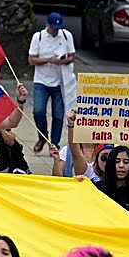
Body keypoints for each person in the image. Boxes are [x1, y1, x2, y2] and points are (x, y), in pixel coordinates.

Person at [28, 12, 76, 152]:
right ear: (47, 25)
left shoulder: (66, 35)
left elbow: (72, 56)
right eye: (53, 28)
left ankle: (54, 143)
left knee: (59, 115)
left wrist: (63, 60)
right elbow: (32, 59)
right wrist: (50, 60)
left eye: (58, 28)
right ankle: (43, 136)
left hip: (60, 81)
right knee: (38, 111)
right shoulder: (39, 37)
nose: (55, 31)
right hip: (41, 81)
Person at [95, 145, 129, 222]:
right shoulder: (97, 189)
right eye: (117, 161)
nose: (121, 165)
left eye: (126, 162)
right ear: (110, 164)